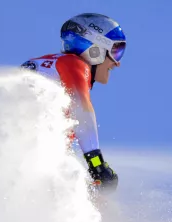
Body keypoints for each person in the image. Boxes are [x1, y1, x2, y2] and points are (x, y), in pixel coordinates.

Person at [21, 13, 126, 194]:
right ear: (95, 50)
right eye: (116, 51)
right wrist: (98, 165)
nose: (117, 63)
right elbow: (81, 109)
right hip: (29, 154)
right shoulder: (74, 64)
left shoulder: (45, 62)